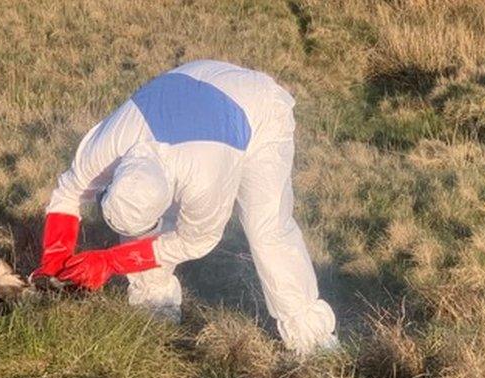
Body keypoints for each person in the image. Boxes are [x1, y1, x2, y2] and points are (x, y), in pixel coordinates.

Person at [32, 60, 337, 354]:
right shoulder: (109, 147)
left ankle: (310, 333)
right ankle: (154, 299)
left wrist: (110, 262)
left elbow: (197, 240)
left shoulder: (204, 179)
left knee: (265, 227)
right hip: (189, 84)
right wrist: (53, 263)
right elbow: (68, 192)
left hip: (258, 109)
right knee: (144, 220)